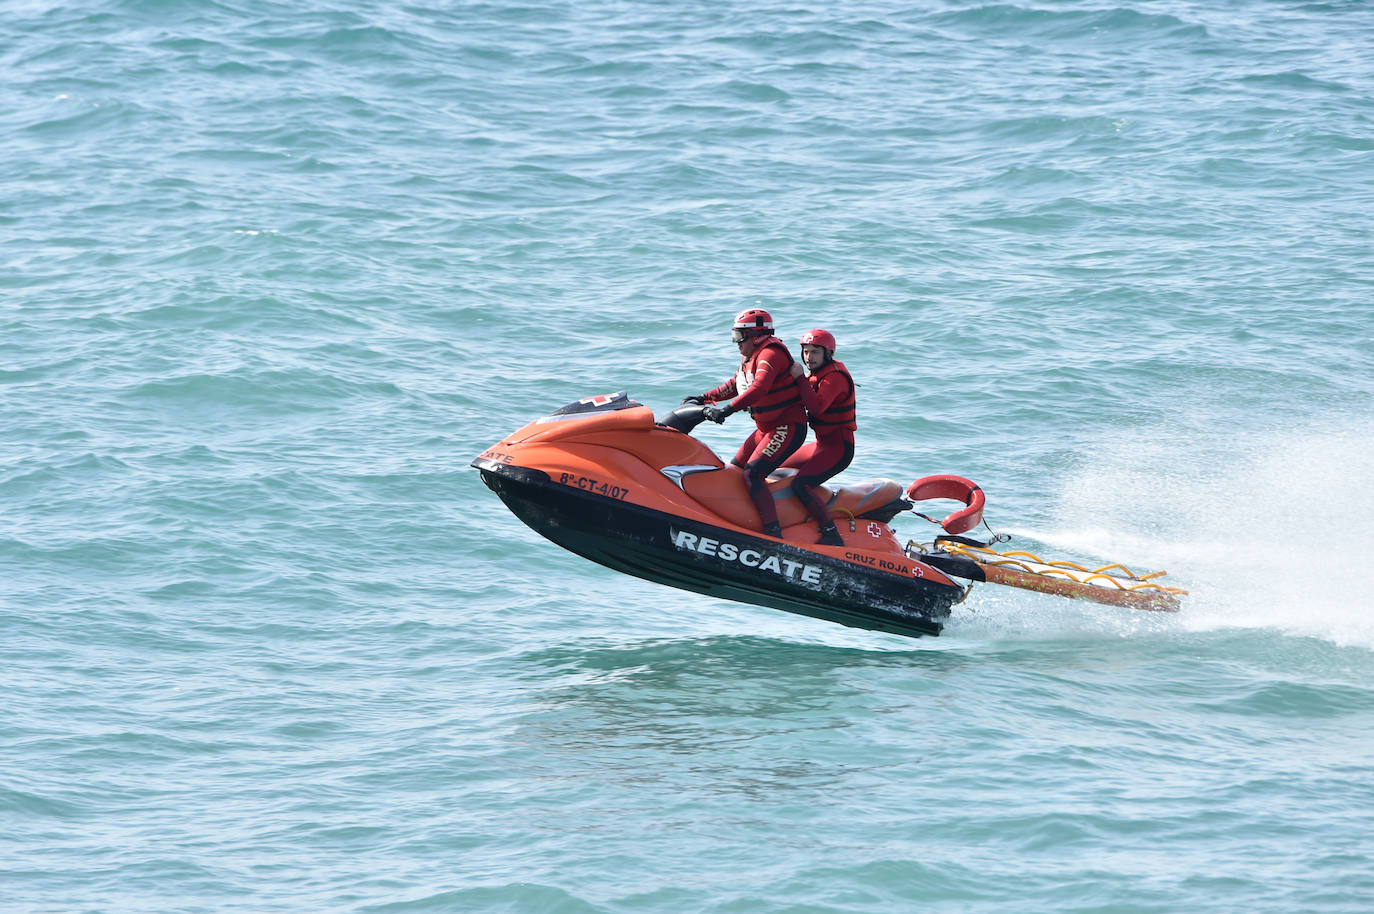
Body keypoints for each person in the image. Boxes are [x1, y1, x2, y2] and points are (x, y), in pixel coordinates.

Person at [683, 308, 806, 538]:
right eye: (735, 336)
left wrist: (726, 411)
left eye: (739, 336)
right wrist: (703, 398)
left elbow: (759, 388)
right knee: (735, 470)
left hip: (787, 427)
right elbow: (735, 384)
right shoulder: (750, 356)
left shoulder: (771, 354)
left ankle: (773, 532)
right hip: (766, 429)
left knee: (752, 475)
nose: (736, 342)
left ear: (756, 335)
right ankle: (739, 519)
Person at [782, 329, 856, 546]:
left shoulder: (834, 378)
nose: (809, 357)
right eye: (805, 352)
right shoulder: (814, 375)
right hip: (820, 445)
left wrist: (799, 380)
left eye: (815, 352)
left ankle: (830, 532)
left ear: (828, 354)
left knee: (801, 484)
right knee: (776, 470)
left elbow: (816, 409)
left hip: (838, 449)